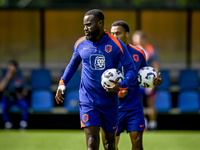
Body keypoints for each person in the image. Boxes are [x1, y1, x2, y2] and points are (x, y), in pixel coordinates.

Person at [55, 9, 138, 150]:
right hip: (88, 100)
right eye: (84, 25)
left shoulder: (117, 45)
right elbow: (73, 64)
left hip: (109, 101)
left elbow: (131, 69)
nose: (85, 28)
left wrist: (122, 85)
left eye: (88, 25)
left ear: (100, 23)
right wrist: (62, 83)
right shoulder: (80, 43)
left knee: (109, 144)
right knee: (92, 143)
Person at [101, 21, 162, 150]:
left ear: (127, 34)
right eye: (112, 34)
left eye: (118, 33)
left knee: (138, 142)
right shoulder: (106, 54)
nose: (114, 36)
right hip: (113, 107)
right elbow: (101, 81)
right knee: (110, 146)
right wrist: (117, 92)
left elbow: (145, 75)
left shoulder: (138, 53)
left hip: (134, 107)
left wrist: (155, 81)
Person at [132, 30, 160, 130]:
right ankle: (143, 122)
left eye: (137, 38)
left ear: (144, 39)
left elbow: (155, 66)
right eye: (134, 38)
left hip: (149, 81)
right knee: (138, 103)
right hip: (137, 82)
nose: (135, 40)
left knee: (150, 102)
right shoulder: (133, 50)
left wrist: (152, 82)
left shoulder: (151, 50)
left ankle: (153, 123)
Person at [0, 60, 28, 129]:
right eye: (10, 68)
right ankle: (8, 124)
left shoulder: (19, 78)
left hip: (17, 98)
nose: (11, 69)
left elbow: (25, 90)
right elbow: (1, 88)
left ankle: (23, 124)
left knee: (25, 105)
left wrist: (21, 95)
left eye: (13, 67)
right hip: (7, 98)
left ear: (16, 69)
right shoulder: (5, 77)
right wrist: (7, 77)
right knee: (3, 106)